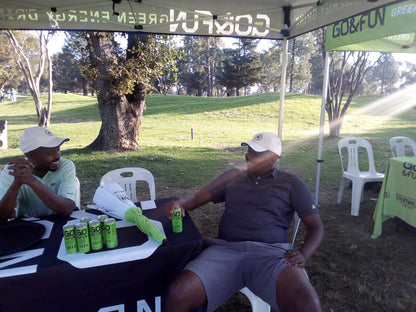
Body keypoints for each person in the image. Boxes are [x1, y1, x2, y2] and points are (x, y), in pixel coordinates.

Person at [163, 132, 324, 312]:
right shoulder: (232, 176)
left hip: (272, 255)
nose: (249, 155)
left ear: (275, 157)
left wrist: (303, 254)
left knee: (308, 304)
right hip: (225, 250)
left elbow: (316, 227)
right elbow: (195, 199)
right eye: (249, 150)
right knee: (178, 293)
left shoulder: (290, 183)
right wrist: (179, 204)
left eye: (257, 152)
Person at [0, 126, 77, 223]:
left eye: (58, 149)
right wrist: (16, 184)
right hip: (29, 228)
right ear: (31, 155)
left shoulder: (65, 165)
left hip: (62, 224)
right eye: (51, 152)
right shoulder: (13, 170)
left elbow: (66, 209)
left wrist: (31, 180)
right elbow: (1, 217)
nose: (58, 155)